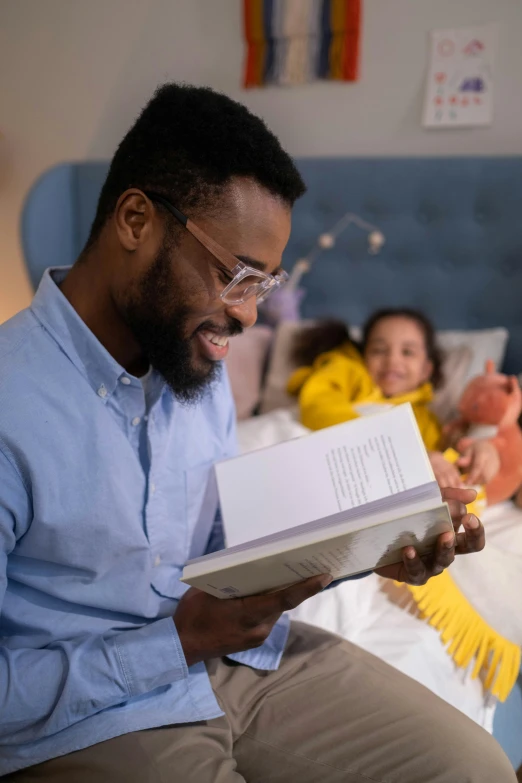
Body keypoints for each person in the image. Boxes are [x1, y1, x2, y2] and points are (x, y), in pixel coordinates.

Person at [0, 84, 514, 783]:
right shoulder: (12, 403)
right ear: (134, 220)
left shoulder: (193, 363)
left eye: (263, 286)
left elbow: (221, 555)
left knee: (472, 766)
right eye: (235, 275)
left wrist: (370, 542)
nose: (246, 317)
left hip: (241, 664)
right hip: (86, 717)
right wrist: (176, 641)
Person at [289, 309, 501, 490]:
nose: (392, 360)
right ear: (364, 357)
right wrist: (409, 451)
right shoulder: (348, 374)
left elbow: (443, 462)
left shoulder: (426, 420)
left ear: (426, 370)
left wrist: (480, 451)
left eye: (407, 352)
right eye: (379, 350)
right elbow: (318, 406)